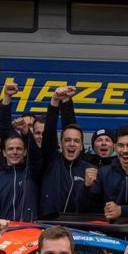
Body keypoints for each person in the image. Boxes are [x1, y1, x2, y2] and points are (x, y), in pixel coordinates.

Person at [37, 87, 98, 218]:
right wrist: (55, 101)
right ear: (61, 144)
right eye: (67, 140)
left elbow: (93, 209)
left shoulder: (90, 170)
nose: (71, 144)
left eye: (76, 141)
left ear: (82, 146)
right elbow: (49, 133)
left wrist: (87, 187)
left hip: (76, 229)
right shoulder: (52, 162)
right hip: (48, 226)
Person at [0, 133, 39, 222]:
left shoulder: (33, 174)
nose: (14, 152)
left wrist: (26, 132)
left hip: (30, 230)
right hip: (4, 231)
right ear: (4, 153)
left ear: (25, 152)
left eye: (19, 149)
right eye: (10, 149)